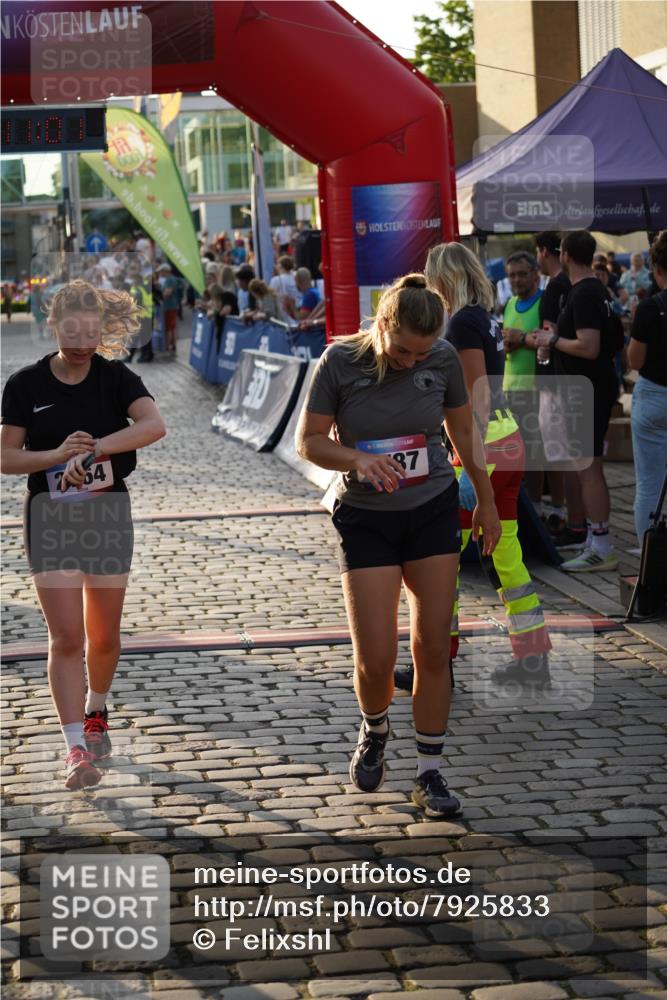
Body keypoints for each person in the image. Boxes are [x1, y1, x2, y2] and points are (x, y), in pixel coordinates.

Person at [296, 274, 501, 817]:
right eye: (405, 351)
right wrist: (358, 460)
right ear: (384, 325)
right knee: (378, 658)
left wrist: (486, 499)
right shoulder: (340, 362)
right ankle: (375, 726)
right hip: (365, 518)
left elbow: (462, 434)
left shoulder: (443, 359)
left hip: (431, 508)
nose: (414, 361)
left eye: (423, 352)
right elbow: (310, 441)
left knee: (434, 645)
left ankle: (430, 771)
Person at [0, 279, 166, 790]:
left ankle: (97, 711)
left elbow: (153, 425)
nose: (80, 341)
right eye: (70, 330)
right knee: (67, 635)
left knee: (105, 637)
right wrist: (56, 457)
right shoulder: (25, 385)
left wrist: (95, 451)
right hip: (50, 516)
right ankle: (75, 747)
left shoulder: (115, 377)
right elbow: (6, 457)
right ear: (52, 326)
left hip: (107, 516)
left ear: (102, 330)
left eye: (90, 331)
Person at [426, 243, 551, 688]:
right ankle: (534, 658)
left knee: (441, 557)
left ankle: (439, 662)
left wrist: (471, 473)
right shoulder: (484, 317)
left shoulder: (462, 322)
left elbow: (475, 396)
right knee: (508, 557)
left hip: (482, 452)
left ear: (446, 280)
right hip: (506, 441)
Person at [534, 230, 621, 572]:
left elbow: (589, 346)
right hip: (588, 389)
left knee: (588, 469)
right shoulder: (593, 290)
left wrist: (553, 339)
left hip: (587, 390)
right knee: (590, 467)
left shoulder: (584, 292)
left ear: (566, 255)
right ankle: (594, 540)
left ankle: (600, 544)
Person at [534, 232, 584, 547]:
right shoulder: (569, 285)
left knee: (562, 456)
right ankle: (576, 521)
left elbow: (548, 338)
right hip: (565, 379)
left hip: (553, 381)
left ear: (544, 252)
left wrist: (528, 340)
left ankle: (574, 523)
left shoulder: (555, 287)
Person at [627, 231, 667, 543]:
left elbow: (635, 360)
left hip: (654, 396)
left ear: (656, 269)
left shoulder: (651, 308)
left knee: (650, 486)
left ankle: (648, 563)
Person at [500, 252, 545, 515]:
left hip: (535, 390)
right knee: (512, 453)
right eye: (511, 275)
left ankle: (538, 507)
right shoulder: (509, 304)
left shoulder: (543, 303)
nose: (516, 279)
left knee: (535, 453)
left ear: (535, 274)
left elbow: (547, 341)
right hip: (508, 389)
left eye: (522, 274)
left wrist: (522, 338)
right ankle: (519, 505)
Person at [158, 263, 179, 355]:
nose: (160, 274)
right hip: (172, 306)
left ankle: (168, 346)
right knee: (172, 327)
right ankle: (172, 345)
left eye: (161, 272)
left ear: (165, 271)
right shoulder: (171, 279)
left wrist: (159, 297)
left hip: (169, 306)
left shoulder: (169, 280)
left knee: (169, 327)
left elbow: (167, 293)